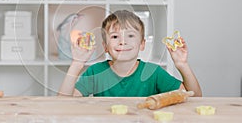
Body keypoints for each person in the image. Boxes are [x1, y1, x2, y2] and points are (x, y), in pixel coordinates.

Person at [58, 10, 202, 97]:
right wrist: (77, 63)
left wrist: (182, 64)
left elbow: (194, 97)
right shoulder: (96, 72)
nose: (123, 41)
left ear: (142, 44)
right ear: (105, 46)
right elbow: (64, 102)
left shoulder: (153, 73)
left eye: (130, 36)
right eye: (115, 37)